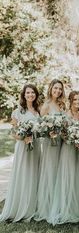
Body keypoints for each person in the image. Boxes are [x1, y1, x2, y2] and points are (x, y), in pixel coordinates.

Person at [0, 84, 40, 222]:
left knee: (34, 174)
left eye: (33, 92)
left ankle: (32, 206)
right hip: (23, 148)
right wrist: (23, 138)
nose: (30, 95)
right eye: (28, 92)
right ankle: (19, 206)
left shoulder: (37, 111)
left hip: (35, 148)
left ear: (36, 95)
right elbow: (13, 132)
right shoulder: (18, 111)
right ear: (24, 95)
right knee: (22, 174)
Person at [48, 91, 79, 224]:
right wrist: (72, 140)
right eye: (75, 99)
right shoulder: (66, 115)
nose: (77, 102)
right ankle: (66, 209)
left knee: (78, 177)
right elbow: (62, 135)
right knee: (68, 177)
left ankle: (77, 207)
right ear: (70, 101)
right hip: (68, 150)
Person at [35, 79, 66, 221]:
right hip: (50, 143)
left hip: (61, 142)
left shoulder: (61, 105)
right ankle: (48, 206)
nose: (58, 91)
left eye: (60, 89)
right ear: (50, 89)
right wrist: (50, 133)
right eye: (55, 88)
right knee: (50, 171)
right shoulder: (46, 106)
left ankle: (58, 203)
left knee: (59, 171)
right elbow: (40, 127)